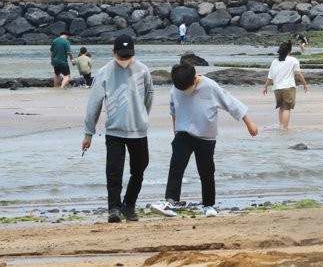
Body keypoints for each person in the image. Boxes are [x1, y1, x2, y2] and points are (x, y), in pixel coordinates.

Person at [149, 62, 259, 218]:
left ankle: (209, 205)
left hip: (206, 136)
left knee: (206, 171)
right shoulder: (176, 88)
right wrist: (175, 133)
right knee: (176, 166)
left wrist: (249, 123)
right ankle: (170, 202)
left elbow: (231, 103)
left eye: (187, 88)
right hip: (183, 133)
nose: (184, 91)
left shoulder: (210, 86)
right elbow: (174, 111)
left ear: (194, 79)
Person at [82, 34, 154, 223]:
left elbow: (148, 98)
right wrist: (88, 133)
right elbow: (94, 105)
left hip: (138, 130)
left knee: (139, 169)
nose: (124, 59)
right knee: (114, 171)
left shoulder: (143, 70)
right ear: (113, 52)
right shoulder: (105, 72)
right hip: (114, 131)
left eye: (127, 55)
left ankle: (129, 205)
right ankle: (114, 208)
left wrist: (142, 117)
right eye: (121, 55)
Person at [262, 41, 309, 130]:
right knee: (287, 108)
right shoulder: (293, 60)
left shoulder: (275, 61)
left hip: (277, 89)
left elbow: (270, 77)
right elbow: (298, 74)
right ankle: (285, 128)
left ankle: (280, 126)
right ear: (289, 51)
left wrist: (265, 87)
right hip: (288, 87)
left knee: (281, 107)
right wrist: (305, 84)